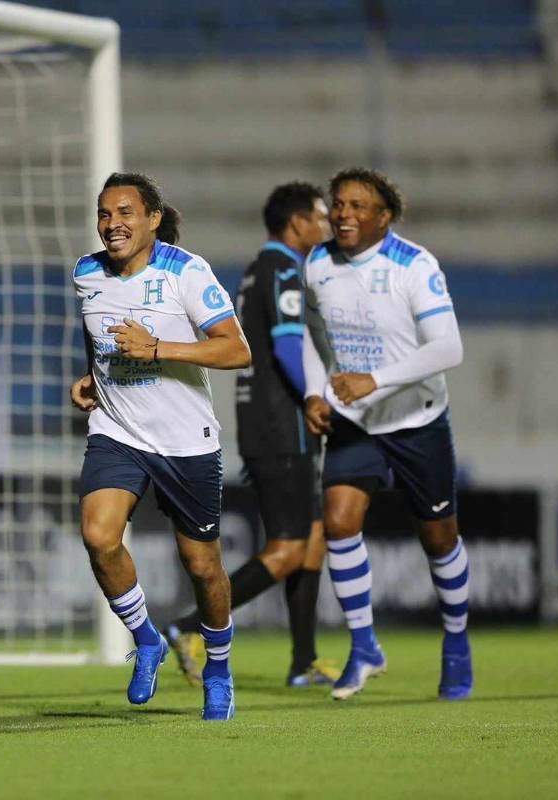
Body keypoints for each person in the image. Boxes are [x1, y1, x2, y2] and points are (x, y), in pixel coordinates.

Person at [70, 172, 251, 721]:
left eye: (125, 213)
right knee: (98, 536)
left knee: (202, 566)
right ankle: (146, 639)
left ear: (152, 218)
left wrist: (158, 350)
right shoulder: (86, 272)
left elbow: (236, 351)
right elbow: (95, 334)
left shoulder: (186, 271)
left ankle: (217, 668)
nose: (112, 224)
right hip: (118, 432)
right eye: (104, 214)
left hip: (184, 440)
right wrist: (90, 375)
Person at [301, 167, 472, 701]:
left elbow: (449, 349)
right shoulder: (318, 262)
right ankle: (365, 645)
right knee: (338, 522)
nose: (344, 214)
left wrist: (373, 380)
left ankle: (457, 641)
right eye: (339, 204)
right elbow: (310, 330)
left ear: (384, 217)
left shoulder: (413, 265)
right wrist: (313, 390)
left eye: (357, 206)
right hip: (356, 421)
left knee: (439, 538)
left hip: (417, 418)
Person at [165, 182, 338, 688]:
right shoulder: (283, 268)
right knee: (287, 547)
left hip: (270, 421)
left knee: (313, 541)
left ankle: (303, 661)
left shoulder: (259, 270)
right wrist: (310, 397)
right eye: (319, 217)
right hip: (281, 423)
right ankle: (188, 627)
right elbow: (287, 348)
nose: (325, 226)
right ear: (296, 223)